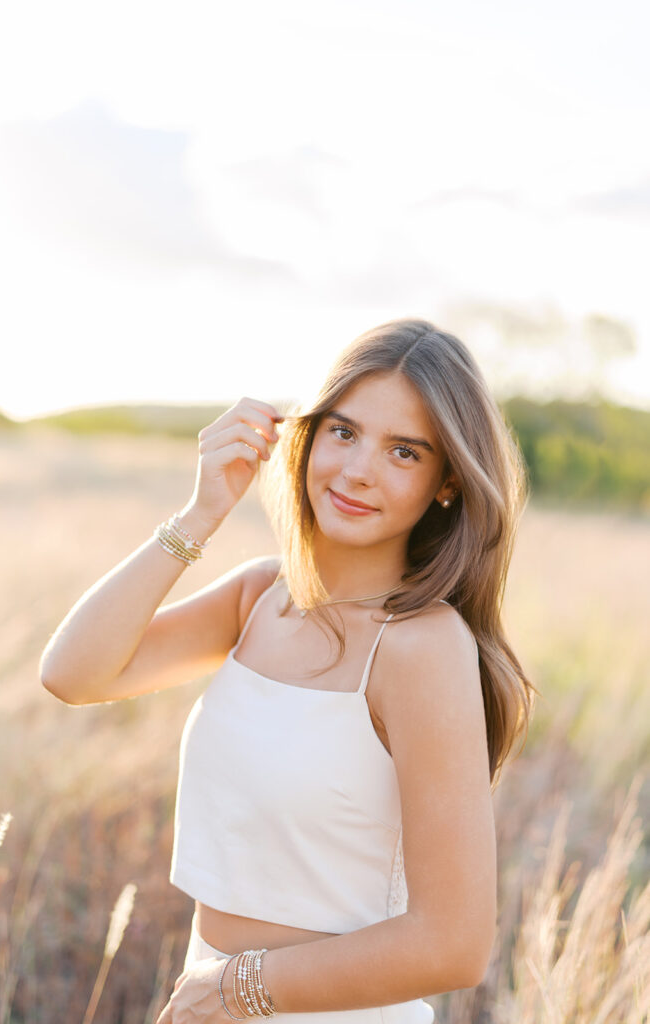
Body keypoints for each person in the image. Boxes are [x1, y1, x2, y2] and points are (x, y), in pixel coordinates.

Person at [40, 317, 534, 1023]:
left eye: (403, 451)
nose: (358, 469)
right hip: (207, 996)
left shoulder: (421, 647)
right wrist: (202, 511)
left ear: (447, 481)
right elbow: (74, 674)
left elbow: (453, 945)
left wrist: (238, 986)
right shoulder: (259, 598)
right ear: (305, 437)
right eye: (343, 431)